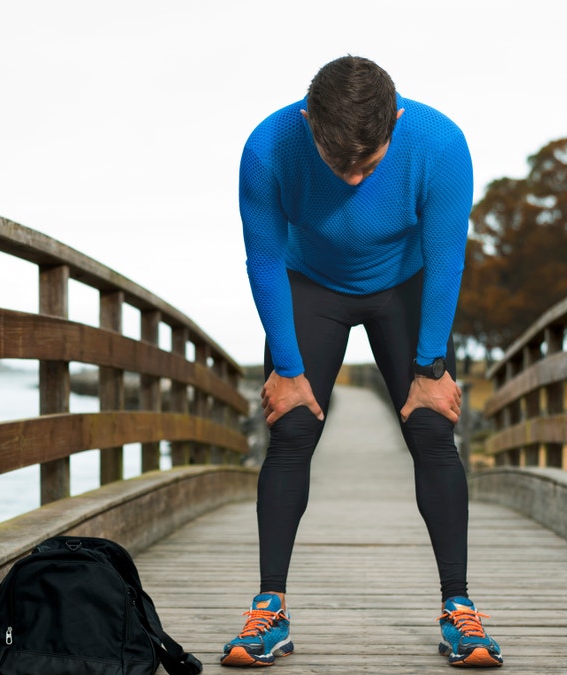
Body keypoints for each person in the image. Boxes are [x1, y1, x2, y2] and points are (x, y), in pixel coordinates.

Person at [221, 55, 503, 668]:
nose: (351, 179)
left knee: (433, 430)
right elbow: (264, 260)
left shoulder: (439, 144)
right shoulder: (269, 148)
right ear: (308, 121)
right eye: (336, 161)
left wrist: (431, 370)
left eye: (367, 164)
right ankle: (270, 610)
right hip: (309, 282)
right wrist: (288, 371)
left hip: (402, 285)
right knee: (290, 428)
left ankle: (459, 610)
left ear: (395, 122)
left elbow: (446, 259)